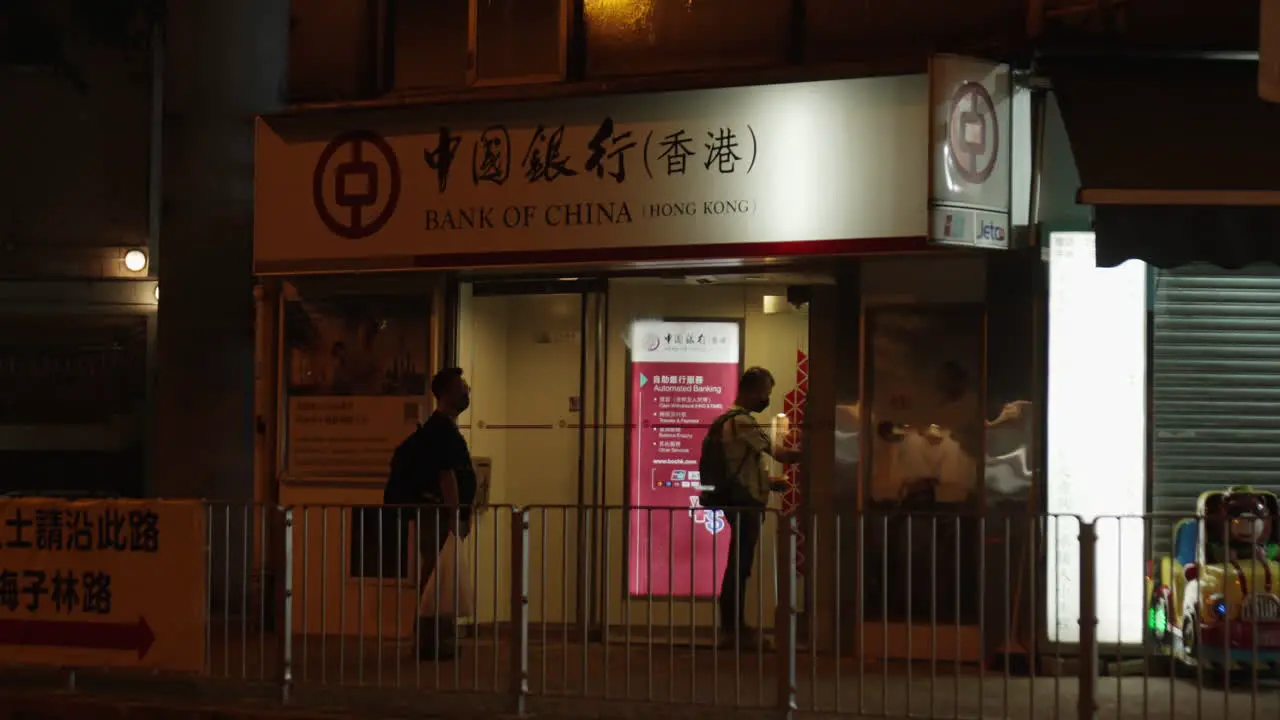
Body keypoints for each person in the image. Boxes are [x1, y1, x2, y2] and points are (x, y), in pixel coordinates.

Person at [702, 366, 802, 648]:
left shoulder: (726, 420)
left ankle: (733, 628)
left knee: (739, 564)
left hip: (738, 498)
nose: (766, 399)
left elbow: (741, 468)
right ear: (752, 390)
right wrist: (817, 450)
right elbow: (781, 454)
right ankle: (734, 630)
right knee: (739, 566)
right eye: (765, 393)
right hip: (744, 504)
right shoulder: (742, 422)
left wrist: (769, 483)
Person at [383, 367, 476, 661]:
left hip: (435, 513)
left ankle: (434, 641)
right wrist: (455, 514)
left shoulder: (438, 429)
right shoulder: (442, 432)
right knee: (436, 578)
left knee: (437, 576)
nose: (467, 392)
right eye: (462, 387)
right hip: (438, 514)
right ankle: (430, 643)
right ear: (447, 393)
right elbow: (446, 476)